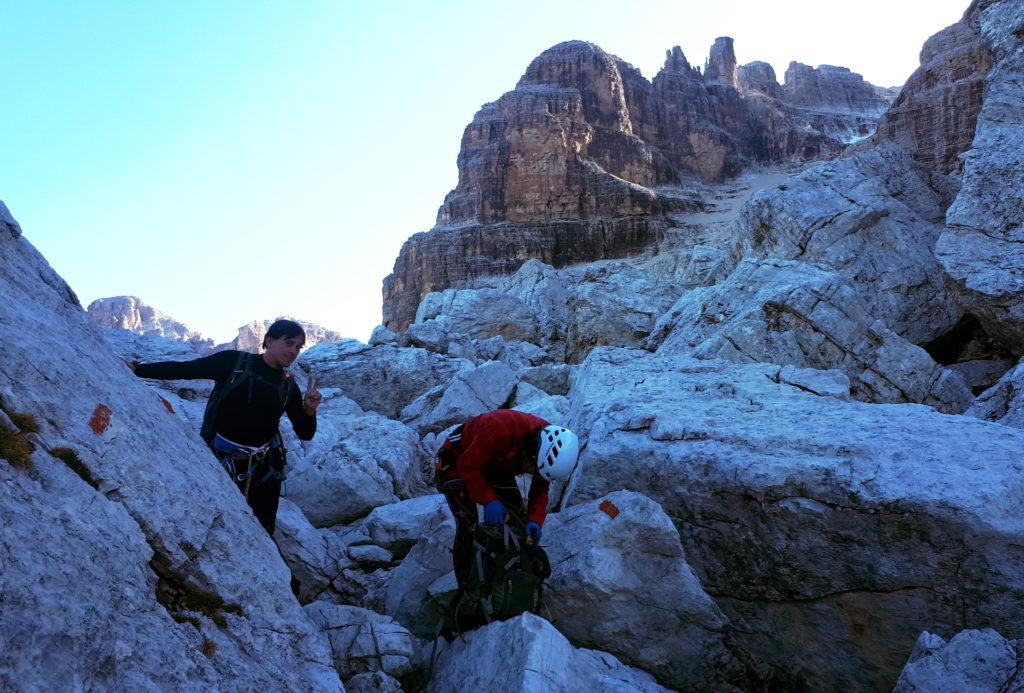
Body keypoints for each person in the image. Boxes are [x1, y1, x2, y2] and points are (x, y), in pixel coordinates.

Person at [130, 319, 322, 535]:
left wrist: (310, 410)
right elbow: (186, 369)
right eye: (289, 343)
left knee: (262, 532)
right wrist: (138, 369)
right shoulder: (233, 362)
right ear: (268, 340)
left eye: (298, 347)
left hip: (264, 473)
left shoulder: (289, 387)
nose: (294, 351)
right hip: (219, 462)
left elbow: (305, 433)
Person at [435, 409, 580, 583]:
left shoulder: (549, 450)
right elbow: (467, 467)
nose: (532, 474)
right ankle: (467, 586)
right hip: (457, 459)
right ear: (531, 453)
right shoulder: (498, 428)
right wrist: (489, 500)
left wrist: (535, 520)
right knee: (468, 525)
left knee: (518, 520)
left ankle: (508, 580)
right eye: (533, 469)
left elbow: (540, 488)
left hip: (497, 463)